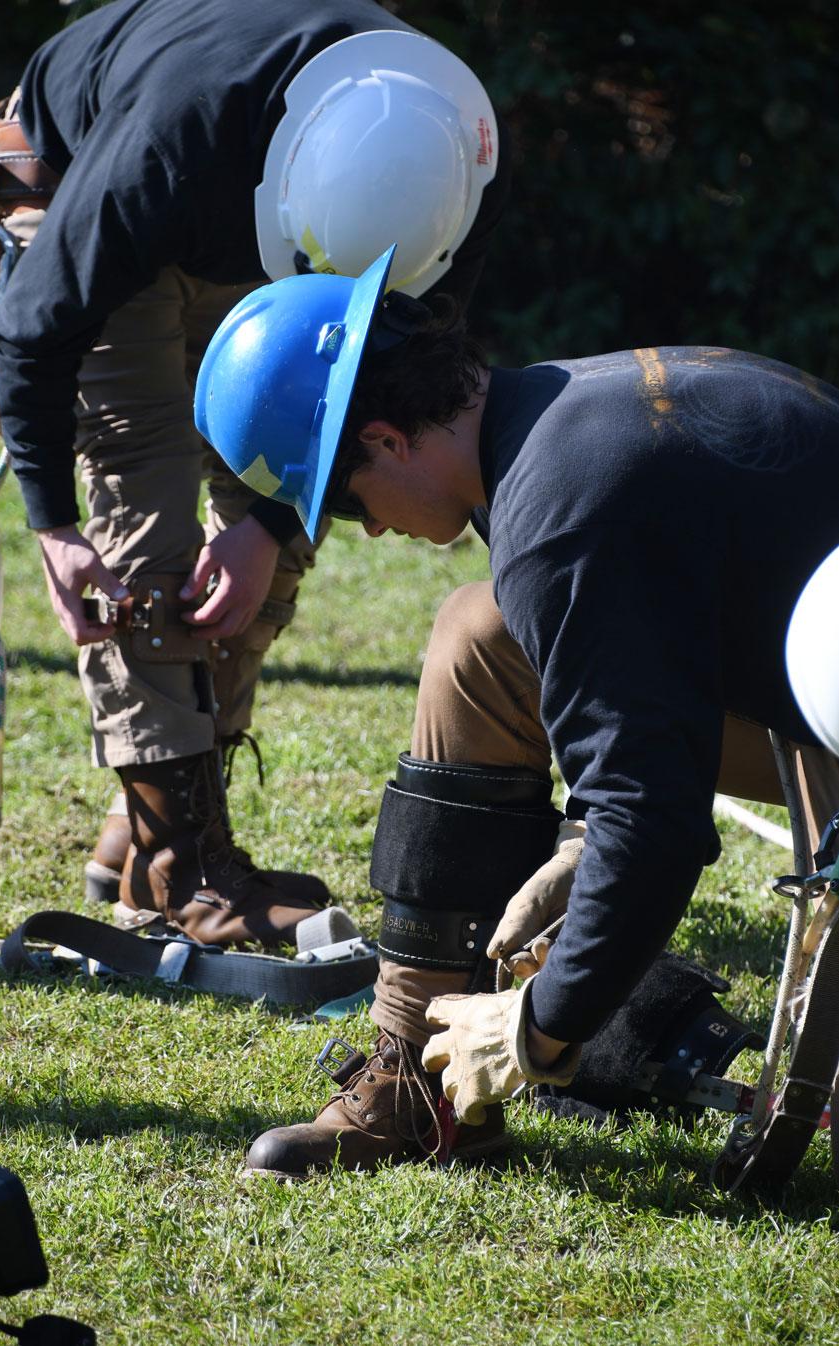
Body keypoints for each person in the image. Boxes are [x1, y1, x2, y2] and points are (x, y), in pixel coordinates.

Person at [192, 248, 839, 1176]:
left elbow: (652, 815)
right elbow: (651, 657)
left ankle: (439, 1077)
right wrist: (581, 836)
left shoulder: (557, 509)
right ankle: (414, 1073)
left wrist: (539, 1025)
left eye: (344, 500)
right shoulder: (558, 412)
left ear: (384, 439)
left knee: (478, 635)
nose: (369, 527)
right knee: (482, 634)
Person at [0, 0, 508, 948]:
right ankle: (182, 867)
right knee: (143, 503)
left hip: (249, 220)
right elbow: (35, 332)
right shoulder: (163, 153)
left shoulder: (448, 162)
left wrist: (270, 526)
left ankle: (158, 810)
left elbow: (355, 403)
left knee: (273, 527)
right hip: (86, 192)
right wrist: (54, 528)